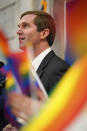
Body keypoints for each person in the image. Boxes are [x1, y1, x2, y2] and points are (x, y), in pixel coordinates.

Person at [2, 10, 70, 130]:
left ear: (44, 33)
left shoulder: (59, 69)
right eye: (19, 27)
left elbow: (62, 121)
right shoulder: (22, 71)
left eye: (25, 26)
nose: (18, 31)